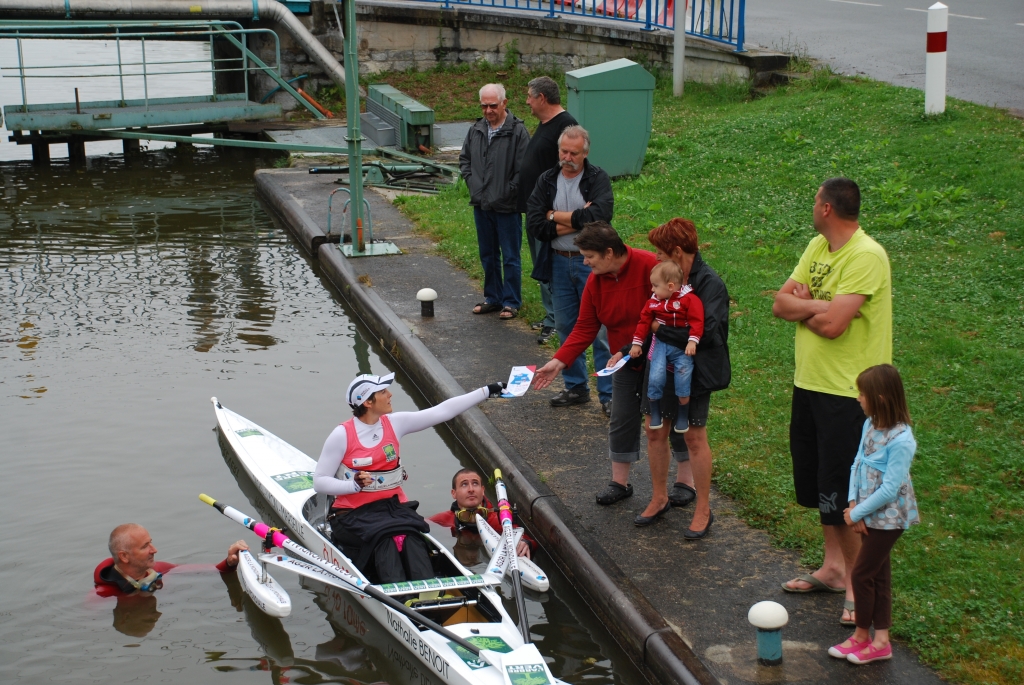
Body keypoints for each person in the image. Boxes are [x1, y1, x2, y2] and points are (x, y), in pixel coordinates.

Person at [773, 178, 892, 624]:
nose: (812, 207)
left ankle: (861, 590)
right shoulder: (816, 247)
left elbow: (834, 327)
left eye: (813, 201)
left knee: (846, 493)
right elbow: (780, 305)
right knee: (820, 484)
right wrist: (823, 307)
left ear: (826, 208)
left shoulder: (866, 255)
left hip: (849, 393)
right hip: (811, 383)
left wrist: (810, 306)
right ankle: (834, 569)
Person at [531, 222, 694, 525]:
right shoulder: (596, 280)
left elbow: (673, 312)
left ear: (609, 252)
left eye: (589, 255)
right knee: (621, 415)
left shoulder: (650, 266)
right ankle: (620, 482)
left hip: (662, 355)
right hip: (623, 357)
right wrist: (559, 361)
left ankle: (686, 482)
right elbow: (585, 326)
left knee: (669, 417)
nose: (585, 262)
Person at [313, 373, 506, 583]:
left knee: (413, 538)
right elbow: (320, 481)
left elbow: (442, 411)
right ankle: (400, 599)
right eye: (383, 392)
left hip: (393, 509)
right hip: (354, 514)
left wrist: (486, 391)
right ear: (368, 402)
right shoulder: (341, 435)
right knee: (385, 540)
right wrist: (353, 485)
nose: (390, 394)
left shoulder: (395, 423)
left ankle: (429, 592)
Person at [611, 219, 731, 534]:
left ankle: (703, 509)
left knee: (693, 437)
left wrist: (661, 331)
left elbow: (707, 336)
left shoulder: (710, 285)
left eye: (661, 253)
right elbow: (649, 318)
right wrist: (628, 349)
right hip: (659, 368)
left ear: (677, 252)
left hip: (694, 374)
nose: (656, 257)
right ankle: (660, 497)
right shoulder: (665, 279)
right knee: (654, 433)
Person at [828, 364, 919, 665]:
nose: (858, 398)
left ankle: (861, 636)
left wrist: (857, 514)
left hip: (889, 517)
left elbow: (891, 489)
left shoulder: (902, 440)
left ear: (879, 397)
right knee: (879, 575)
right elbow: (858, 462)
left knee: (863, 574)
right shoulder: (870, 424)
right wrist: (853, 504)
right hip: (867, 511)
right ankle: (881, 641)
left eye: (862, 394)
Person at [526, 126, 614, 414]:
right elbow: (536, 223)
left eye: (574, 153)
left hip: (592, 265)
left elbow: (599, 217)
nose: (567, 157)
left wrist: (555, 217)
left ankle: (609, 394)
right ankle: (576, 387)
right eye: (563, 151)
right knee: (566, 326)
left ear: (585, 153)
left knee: (600, 331)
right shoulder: (547, 179)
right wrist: (578, 220)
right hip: (558, 261)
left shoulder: (597, 178)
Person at [459, 83, 531, 320]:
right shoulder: (476, 129)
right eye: (484, 106)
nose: (488, 110)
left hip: (507, 206)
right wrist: (472, 184)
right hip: (481, 203)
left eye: (493, 105)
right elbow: (465, 160)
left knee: (510, 255)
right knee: (487, 253)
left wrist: (509, 191)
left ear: (504, 103)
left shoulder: (518, 131)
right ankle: (493, 297)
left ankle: (511, 301)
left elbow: (524, 170)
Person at [519, 76, 579, 344]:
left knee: (549, 264)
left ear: (542, 98)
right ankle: (550, 316)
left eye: (530, 97)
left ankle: (557, 320)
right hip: (535, 211)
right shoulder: (545, 124)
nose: (527, 102)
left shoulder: (565, 125)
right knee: (541, 265)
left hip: (550, 213)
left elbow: (570, 166)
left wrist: (551, 210)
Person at [629, 260, 704, 434]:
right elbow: (643, 322)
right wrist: (636, 343)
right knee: (655, 377)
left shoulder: (689, 300)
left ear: (670, 286)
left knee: (683, 377)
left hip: (682, 346)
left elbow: (697, 321)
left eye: (655, 286)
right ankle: (655, 413)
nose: (652, 290)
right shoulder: (653, 302)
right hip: (661, 344)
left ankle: (683, 416)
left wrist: (693, 341)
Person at [94, 523, 247, 596]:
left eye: (151, 542)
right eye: (145, 546)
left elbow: (212, 570)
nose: (154, 550)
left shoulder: (158, 569)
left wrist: (229, 562)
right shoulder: (103, 595)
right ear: (124, 556)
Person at [428, 467, 534, 562]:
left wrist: (526, 543)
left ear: (482, 490)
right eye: (464, 484)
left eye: (475, 483)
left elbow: (527, 538)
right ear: (453, 493)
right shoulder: (444, 520)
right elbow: (420, 525)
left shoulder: (498, 520)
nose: (471, 489)